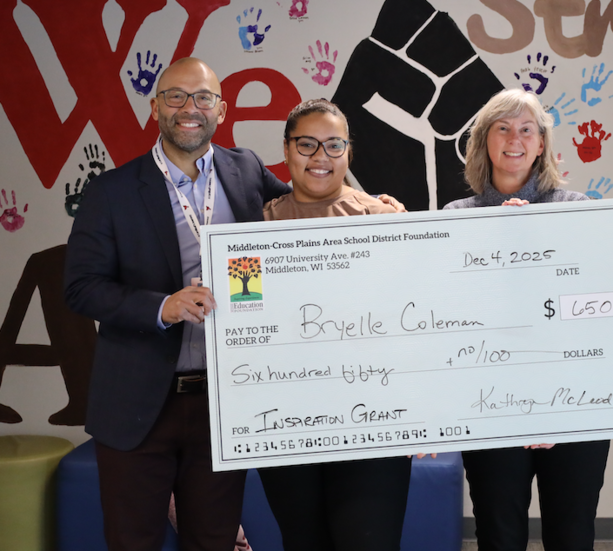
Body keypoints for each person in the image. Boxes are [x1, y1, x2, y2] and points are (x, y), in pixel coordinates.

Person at [63, 59, 402, 550]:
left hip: (224, 406)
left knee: (214, 540)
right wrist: (163, 306)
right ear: (155, 106)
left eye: (203, 97)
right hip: (138, 406)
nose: (189, 109)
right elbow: (80, 287)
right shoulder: (112, 191)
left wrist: (372, 205)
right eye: (175, 96)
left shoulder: (243, 169)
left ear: (221, 109)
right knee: (132, 540)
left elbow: (309, 201)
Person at [443, 89, 608, 551]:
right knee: (498, 535)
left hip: (575, 408)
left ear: (541, 145)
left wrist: (534, 241)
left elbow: (594, 307)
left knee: (573, 535)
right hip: (493, 409)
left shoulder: (578, 209)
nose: (514, 139)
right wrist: (496, 243)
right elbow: (452, 315)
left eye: (526, 129)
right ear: (484, 141)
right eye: (502, 128)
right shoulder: (456, 218)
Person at [254, 98, 411, 551]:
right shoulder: (257, 226)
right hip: (286, 424)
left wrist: (422, 410)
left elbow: (417, 323)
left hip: (371, 426)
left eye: (333, 144)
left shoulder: (383, 219)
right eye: (307, 144)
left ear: (349, 152)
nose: (320, 156)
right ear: (286, 150)